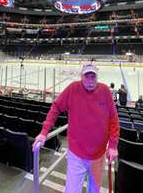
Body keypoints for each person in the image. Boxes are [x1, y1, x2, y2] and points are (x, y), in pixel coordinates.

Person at [33, 64, 120, 193]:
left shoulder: (105, 91)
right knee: (72, 190)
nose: (90, 80)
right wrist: (44, 132)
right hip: (76, 155)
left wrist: (112, 145)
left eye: (93, 77)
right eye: (87, 76)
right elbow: (55, 107)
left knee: (94, 190)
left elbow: (113, 117)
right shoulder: (73, 89)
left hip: (98, 155)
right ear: (81, 77)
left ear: (97, 77)